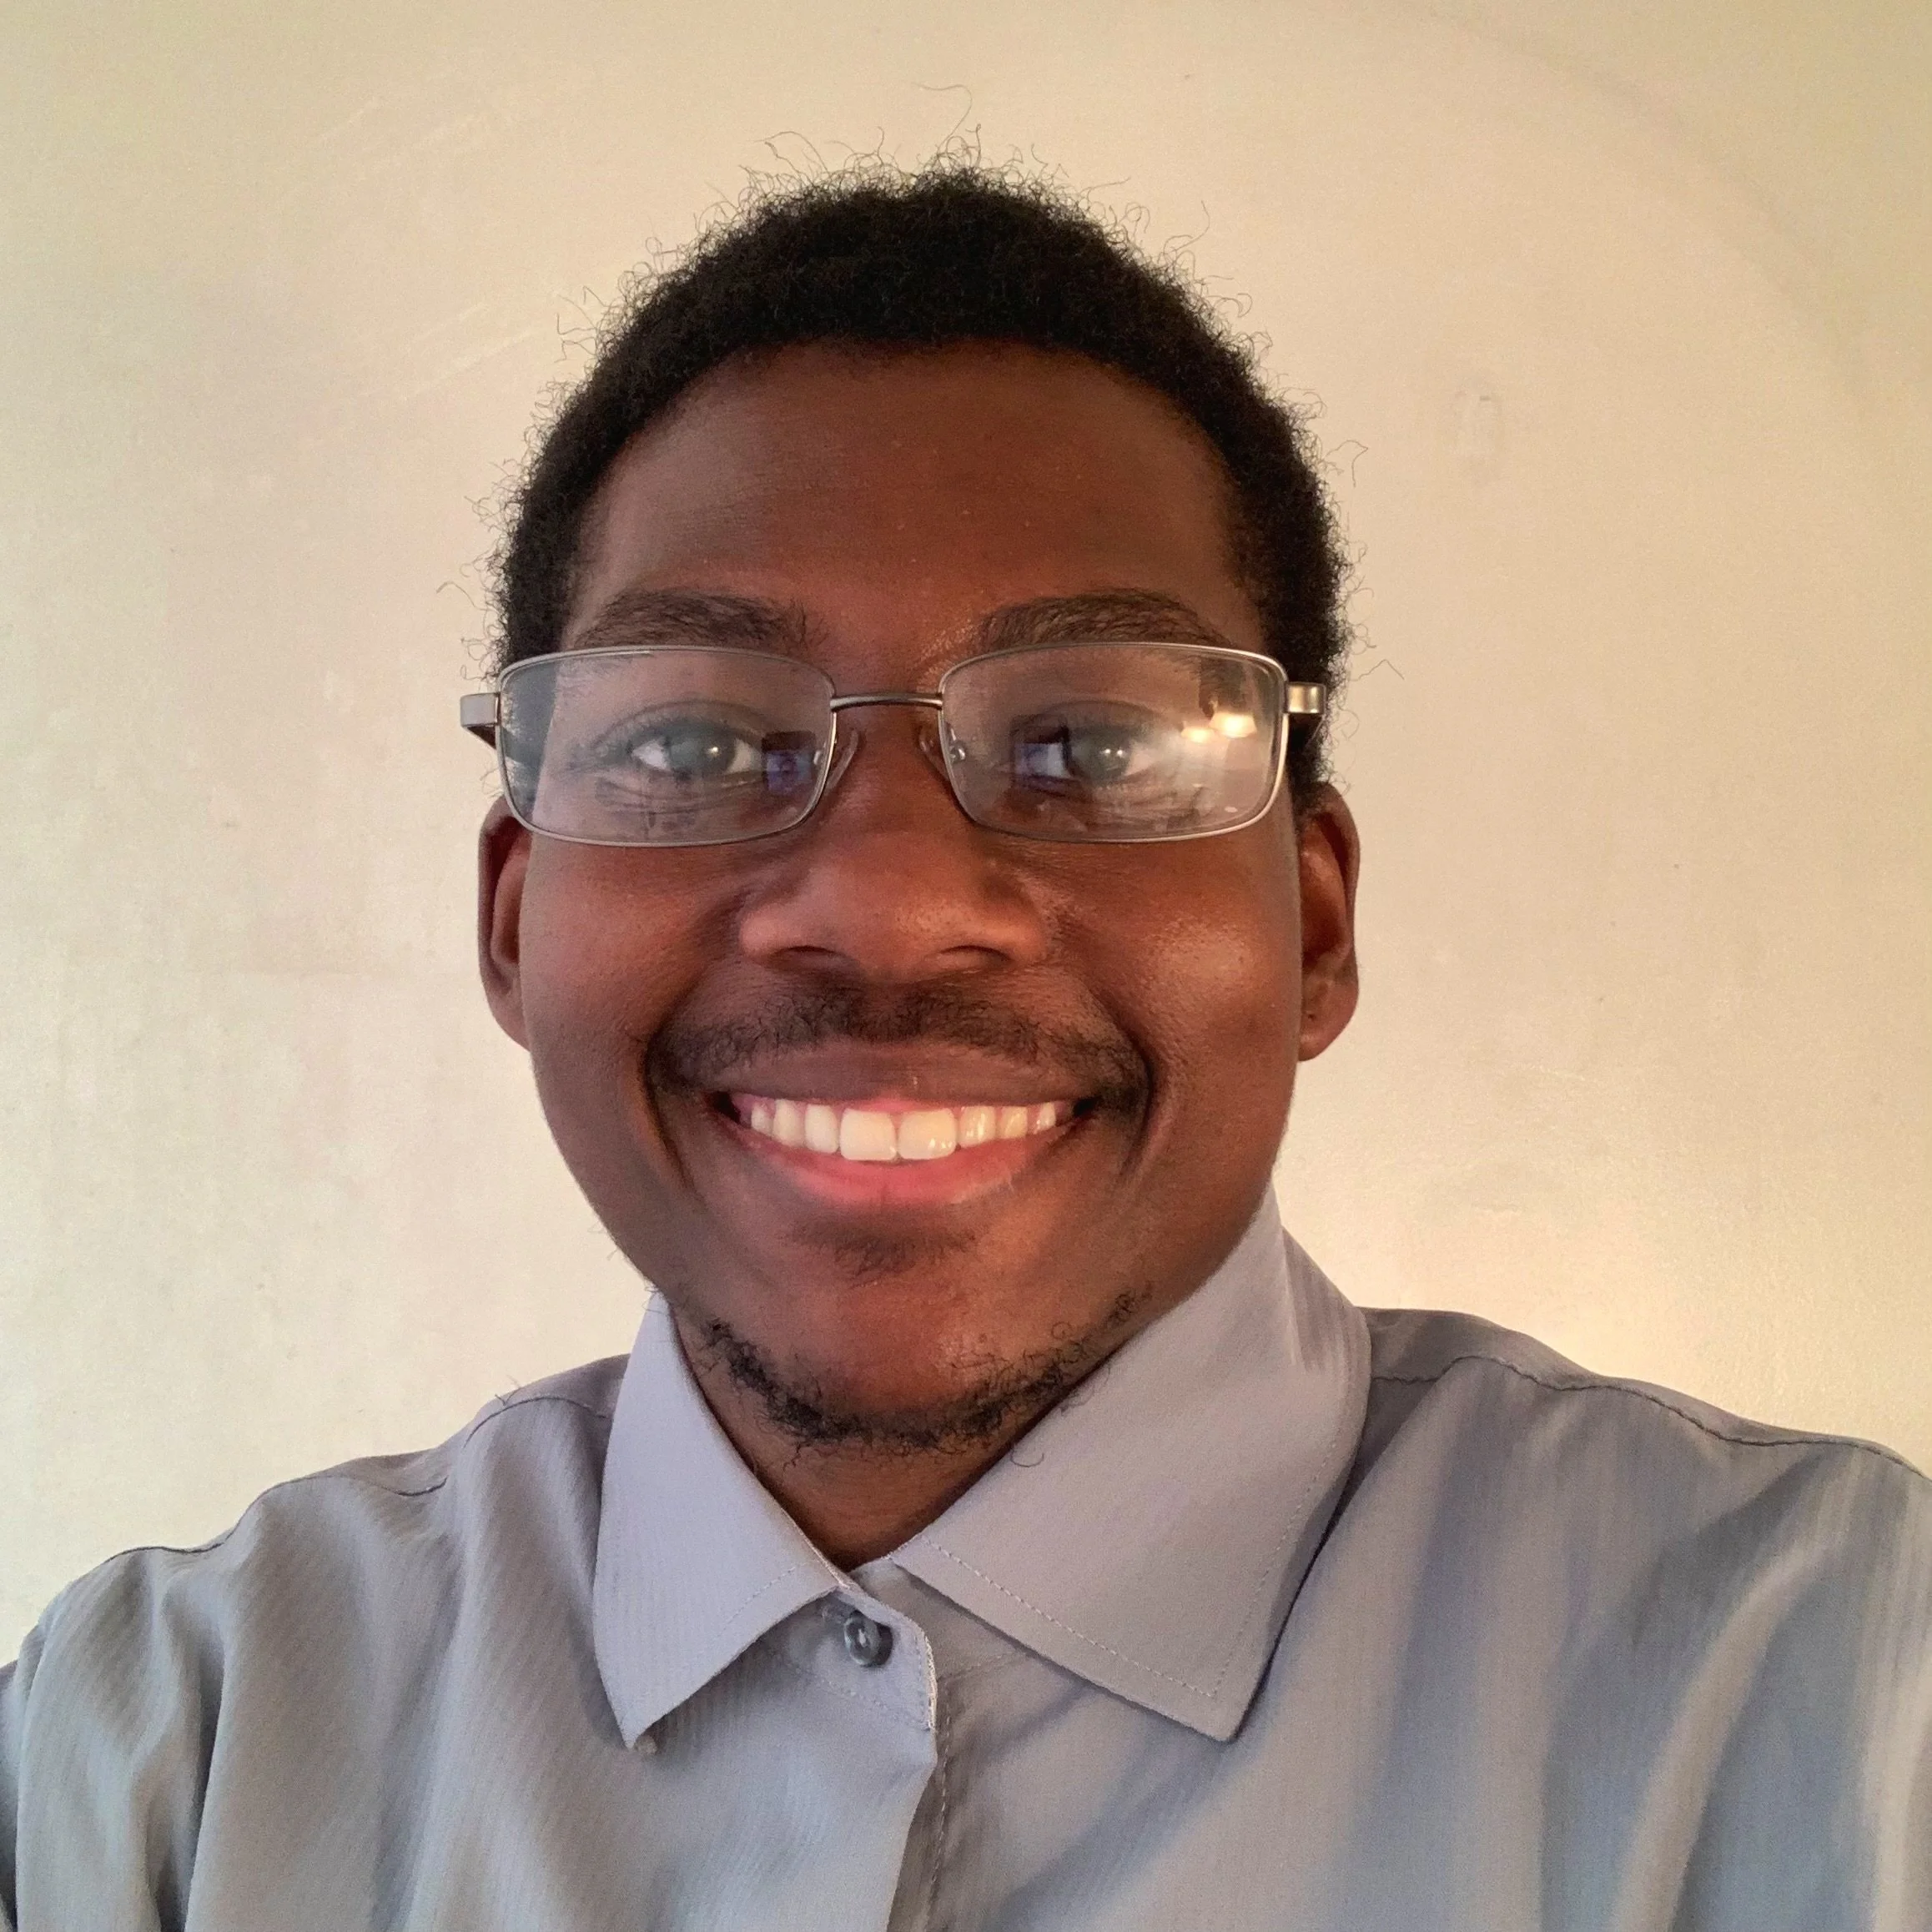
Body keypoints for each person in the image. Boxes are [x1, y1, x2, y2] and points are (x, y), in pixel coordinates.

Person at [3, 164, 1926, 1932]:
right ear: (513, 917)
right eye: (693, 741)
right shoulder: (165, 1760)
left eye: (1093, 742)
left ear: (1315, 924)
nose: (890, 902)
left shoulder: (1831, 1695)